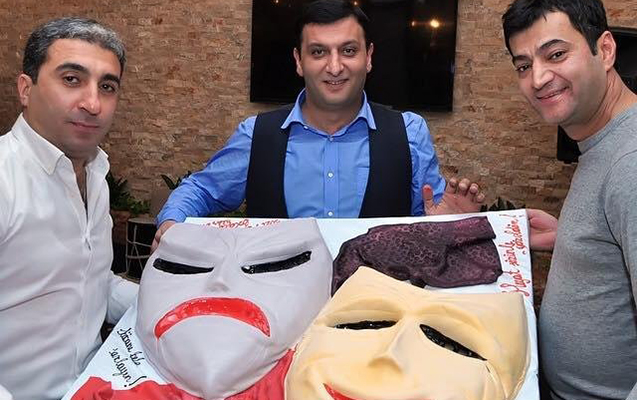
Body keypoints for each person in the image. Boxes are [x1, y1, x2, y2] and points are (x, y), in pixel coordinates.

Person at [153, 0, 484, 249]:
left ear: (368, 57)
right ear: (299, 61)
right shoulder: (257, 135)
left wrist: (450, 224)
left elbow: (430, 223)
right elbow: (201, 190)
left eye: (348, 50)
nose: (335, 67)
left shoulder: (409, 133)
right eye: (318, 52)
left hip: (377, 310)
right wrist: (171, 223)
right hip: (277, 307)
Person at [502, 0, 637, 398]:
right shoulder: (602, 139)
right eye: (523, 65)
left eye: (556, 55)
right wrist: (574, 239)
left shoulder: (630, 162)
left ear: (605, 50)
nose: (538, 78)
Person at [0, 18, 138, 400]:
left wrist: (169, 301)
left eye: (107, 86)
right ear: (26, 89)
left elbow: (90, 281)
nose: (93, 104)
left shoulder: (95, 177)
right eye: (72, 79)